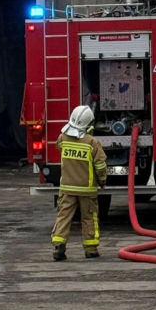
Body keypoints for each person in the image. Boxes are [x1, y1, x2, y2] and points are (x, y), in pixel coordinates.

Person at [51, 105, 107, 261]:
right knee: (89, 218)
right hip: (87, 190)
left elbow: (58, 147)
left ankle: (58, 247)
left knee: (63, 216)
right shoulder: (92, 143)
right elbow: (101, 165)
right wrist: (102, 181)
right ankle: (91, 249)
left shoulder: (62, 138)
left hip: (67, 188)